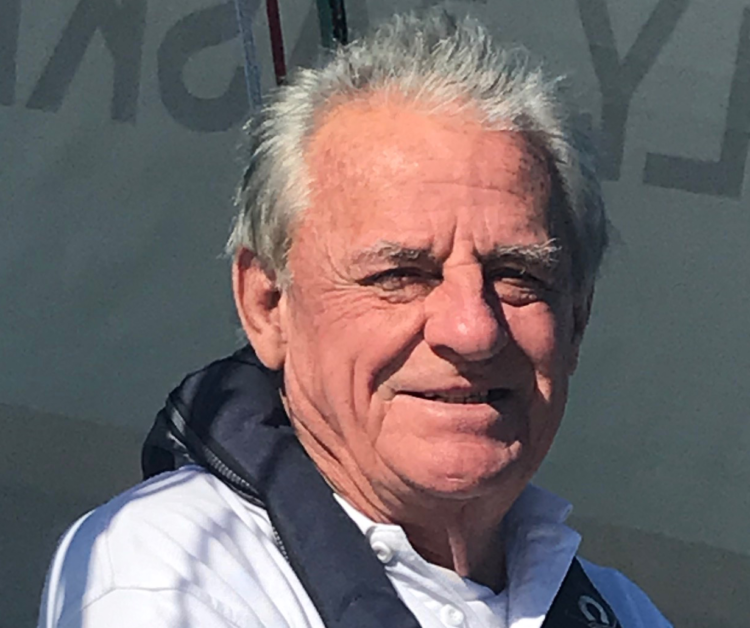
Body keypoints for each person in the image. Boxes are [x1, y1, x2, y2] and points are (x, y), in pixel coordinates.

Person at [38, 12, 672, 628]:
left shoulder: (619, 609)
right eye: (400, 275)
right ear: (268, 306)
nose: (472, 330)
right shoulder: (174, 576)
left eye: (517, 275)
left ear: (577, 317)